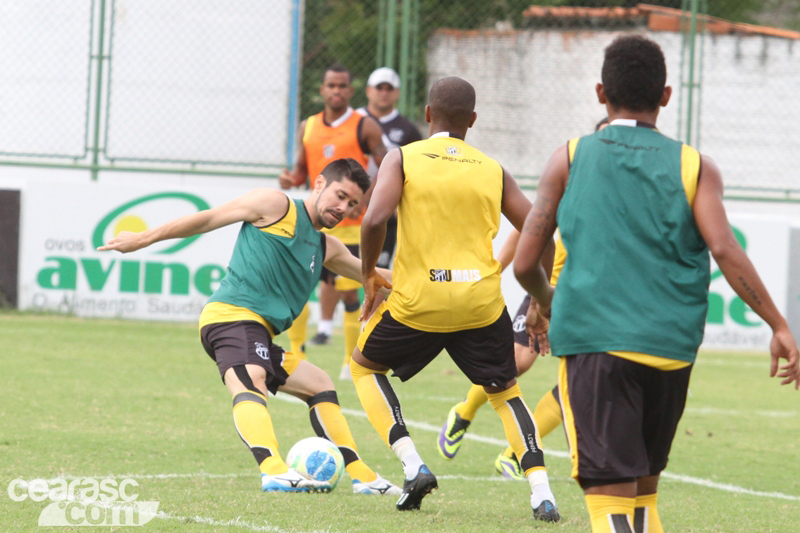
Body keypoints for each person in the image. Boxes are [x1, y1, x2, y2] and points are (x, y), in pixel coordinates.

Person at [513, 35, 800, 533]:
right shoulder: (696, 166)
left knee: (609, 501)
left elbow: (524, 264)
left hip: (597, 342)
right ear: (665, 96)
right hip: (671, 348)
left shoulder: (570, 158)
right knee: (643, 494)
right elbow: (726, 250)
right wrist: (778, 324)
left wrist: (545, 301)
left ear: (600, 93)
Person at [99, 159, 400, 496]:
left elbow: (374, 275)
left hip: (259, 332)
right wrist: (143, 238)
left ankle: (362, 476)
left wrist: (430, 281)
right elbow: (207, 219)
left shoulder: (326, 246)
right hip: (231, 316)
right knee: (252, 377)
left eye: (352, 204)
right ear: (318, 184)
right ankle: (274, 471)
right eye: (340, 196)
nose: (343, 208)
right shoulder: (275, 206)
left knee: (319, 383)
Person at [350, 76, 560, 521]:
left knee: (364, 367)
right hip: (480, 304)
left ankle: (413, 466)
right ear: (473, 120)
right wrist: (540, 302)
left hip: (419, 302)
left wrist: (368, 274)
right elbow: (542, 231)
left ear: (428, 114)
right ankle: (542, 493)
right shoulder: (493, 169)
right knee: (506, 393)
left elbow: (373, 220)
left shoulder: (402, 157)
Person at [437, 119, 610, 480]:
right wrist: (497, 270)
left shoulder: (627, 193)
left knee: (583, 377)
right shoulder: (571, 183)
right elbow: (529, 227)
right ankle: (464, 413)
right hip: (550, 291)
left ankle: (513, 455)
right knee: (518, 362)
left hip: (592, 301)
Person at [280, 64, 387, 378]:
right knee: (297, 286)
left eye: (342, 85)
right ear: (322, 89)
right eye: (331, 85)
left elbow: (388, 168)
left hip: (351, 228)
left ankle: (349, 363)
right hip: (312, 223)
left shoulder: (364, 126)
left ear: (350, 91)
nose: (336, 91)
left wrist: (362, 202)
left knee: (351, 293)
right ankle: (297, 354)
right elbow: (301, 171)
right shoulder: (308, 126)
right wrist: (290, 179)